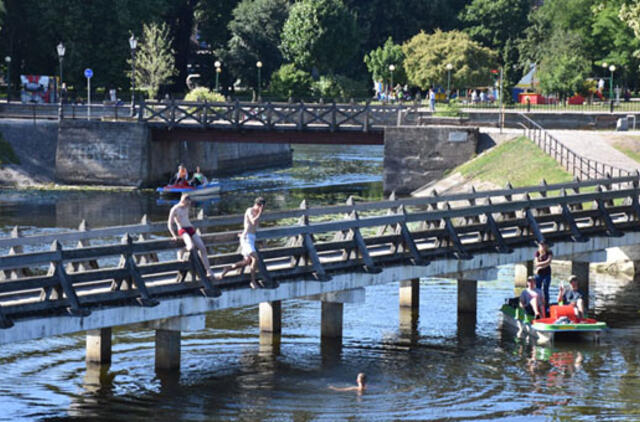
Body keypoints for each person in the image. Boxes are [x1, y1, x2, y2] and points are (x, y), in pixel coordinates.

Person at [216, 197, 266, 289]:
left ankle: (227, 269)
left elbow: (253, 228)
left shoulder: (257, 213)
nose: (262, 209)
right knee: (255, 258)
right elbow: (253, 221)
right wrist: (260, 212)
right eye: (262, 206)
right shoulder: (250, 210)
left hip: (251, 238)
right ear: (259, 205)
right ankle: (253, 281)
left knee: (246, 261)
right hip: (246, 238)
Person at [167, 193, 214, 279]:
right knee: (191, 246)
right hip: (182, 230)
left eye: (188, 203)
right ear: (182, 201)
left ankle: (208, 270)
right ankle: (181, 251)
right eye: (185, 203)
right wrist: (173, 235)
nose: (186, 205)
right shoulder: (175, 209)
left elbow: (197, 202)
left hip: (190, 228)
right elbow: (169, 224)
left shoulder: (187, 206)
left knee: (202, 248)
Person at [534, 242, 553, 306]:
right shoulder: (537, 253)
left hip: (547, 273)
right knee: (538, 289)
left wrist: (539, 267)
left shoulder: (549, 252)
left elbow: (549, 262)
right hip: (539, 274)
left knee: (546, 289)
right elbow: (536, 263)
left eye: (543, 244)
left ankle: (546, 304)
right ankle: (538, 303)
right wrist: (543, 264)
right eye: (541, 244)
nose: (542, 246)